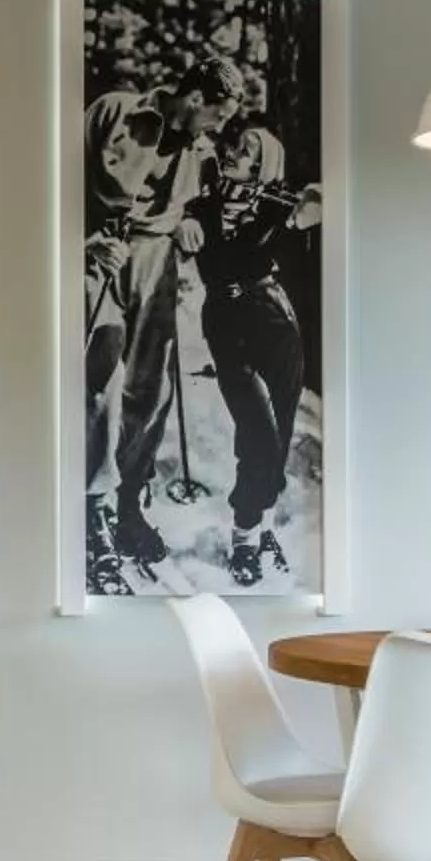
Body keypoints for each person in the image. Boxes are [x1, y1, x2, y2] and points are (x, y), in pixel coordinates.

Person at [83, 53, 244, 592]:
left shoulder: (202, 150)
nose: (218, 127)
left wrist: (189, 222)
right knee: (101, 387)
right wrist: (85, 241)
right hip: (101, 257)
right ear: (195, 98)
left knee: (151, 392)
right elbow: (55, 182)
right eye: (217, 115)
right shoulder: (116, 111)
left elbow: (199, 204)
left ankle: (129, 503)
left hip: (158, 263)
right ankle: (94, 515)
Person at [189, 123, 318, 586]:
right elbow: (184, 229)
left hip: (273, 317)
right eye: (234, 147)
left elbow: (319, 207)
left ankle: (260, 528)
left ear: (263, 167)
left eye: (245, 153)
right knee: (258, 431)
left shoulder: (278, 206)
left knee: (277, 437)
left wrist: (313, 204)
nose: (232, 154)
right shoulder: (203, 204)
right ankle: (245, 535)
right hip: (227, 322)